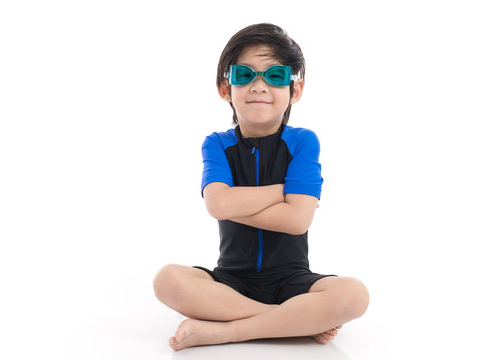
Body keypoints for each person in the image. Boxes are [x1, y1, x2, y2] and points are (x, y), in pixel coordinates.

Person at [153, 23, 369, 351]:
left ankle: (227, 330)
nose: (259, 85)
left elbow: (297, 221)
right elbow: (218, 206)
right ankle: (289, 322)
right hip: (230, 281)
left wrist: (235, 202)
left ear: (294, 90)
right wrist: (283, 192)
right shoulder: (217, 144)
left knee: (354, 294)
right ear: (225, 88)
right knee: (167, 280)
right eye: (244, 74)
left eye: (275, 76)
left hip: (293, 281)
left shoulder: (302, 141)